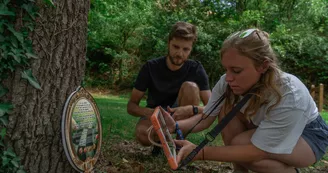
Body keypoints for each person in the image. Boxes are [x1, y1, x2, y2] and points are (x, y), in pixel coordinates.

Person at [161, 28, 328, 173]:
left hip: (308, 134)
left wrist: (200, 152)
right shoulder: (227, 82)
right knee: (228, 112)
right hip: (264, 126)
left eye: (236, 70)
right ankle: (240, 170)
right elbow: (206, 118)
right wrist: (174, 127)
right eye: (226, 69)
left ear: (263, 66)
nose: (229, 77)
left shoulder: (289, 93)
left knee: (247, 151)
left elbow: (257, 151)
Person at [126, 21, 211, 152]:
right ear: (168, 43)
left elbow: (212, 107)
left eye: (185, 49)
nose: (180, 54)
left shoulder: (196, 68)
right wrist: (148, 112)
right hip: (155, 114)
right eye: (176, 47)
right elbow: (131, 106)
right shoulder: (150, 67)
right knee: (142, 135)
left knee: (191, 86)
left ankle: (179, 142)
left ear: (191, 49)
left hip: (181, 116)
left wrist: (189, 109)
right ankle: (161, 140)